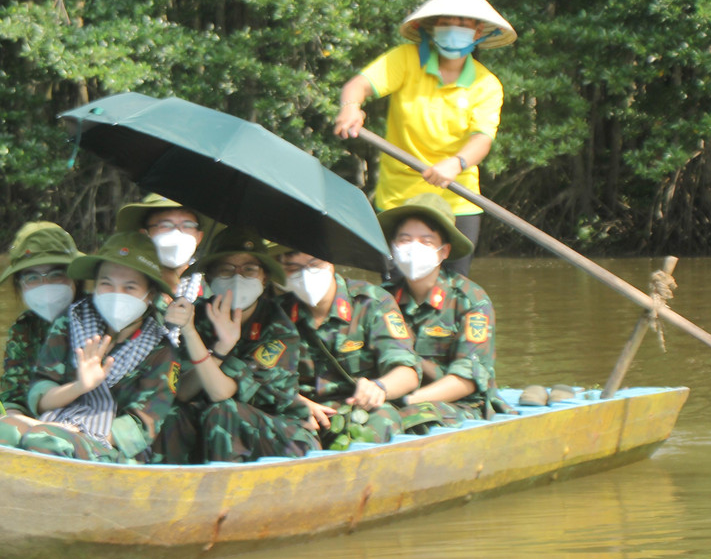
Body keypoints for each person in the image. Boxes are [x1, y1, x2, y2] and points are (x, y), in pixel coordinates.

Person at [333, 0, 516, 277]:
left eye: (463, 23)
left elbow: (482, 140)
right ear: (431, 28)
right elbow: (359, 85)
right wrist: (351, 106)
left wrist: (456, 163)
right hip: (400, 198)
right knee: (395, 289)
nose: (454, 29)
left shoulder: (486, 84)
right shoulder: (406, 58)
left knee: (453, 290)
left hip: (456, 197)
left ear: (478, 32)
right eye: (446, 23)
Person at [0, 231, 179, 463]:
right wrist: (80, 386)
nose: (117, 294)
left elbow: (140, 426)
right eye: (106, 284)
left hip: (110, 447)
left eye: (130, 288)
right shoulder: (70, 321)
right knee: (3, 431)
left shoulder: (162, 350)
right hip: (53, 422)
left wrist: (77, 433)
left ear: (150, 295)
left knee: (44, 440)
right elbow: (41, 393)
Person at [156, 226, 317, 463]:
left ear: (264, 278)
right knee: (172, 414)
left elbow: (220, 392)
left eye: (249, 270)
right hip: (211, 425)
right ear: (209, 277)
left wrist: (223, 344)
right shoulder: (196, 316)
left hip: (280, 433)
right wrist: (204, 340)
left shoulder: (278, 329)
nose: (237, 277)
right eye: (226, 269)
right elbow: (182, 391)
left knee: (223, 411)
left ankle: (225, 487)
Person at [378, 193, 504, 432]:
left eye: (426, 241)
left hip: (461, 405)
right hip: (394, 397)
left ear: (444, 251)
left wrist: (407, 401)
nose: (413, 248)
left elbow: (467, 380)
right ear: (393, 247)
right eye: (405, 240)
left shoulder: (469, 300)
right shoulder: (381, 299)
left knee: (411, 419)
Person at [277, 248, 421, 447]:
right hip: (302, 414)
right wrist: (295, 402)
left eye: (314, 264)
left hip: (356, 408)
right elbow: (261, 378)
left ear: (330, 262)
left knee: (383, 418)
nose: (305, 274)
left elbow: (407, 372)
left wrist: (379, 388)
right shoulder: (277, 312)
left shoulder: (370, 302)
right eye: (293, 267)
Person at [0, 221, 83, 415]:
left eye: (56, 275)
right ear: (20, 285)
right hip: (37, 422)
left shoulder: (98, 321)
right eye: (32, 278)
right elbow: (13, 395)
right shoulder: (24, 329)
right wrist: (12, 419)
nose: (45, 286)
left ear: (75, 277)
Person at [114, 193, 208, 303]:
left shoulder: (212, 288)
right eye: (165, 225)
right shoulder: (124, 286)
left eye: (188, 226)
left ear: (199, 237)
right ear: (145, 235)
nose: (176, 233)